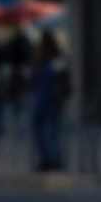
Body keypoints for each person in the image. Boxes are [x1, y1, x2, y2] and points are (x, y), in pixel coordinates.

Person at [30, 29, 69, 173]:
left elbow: (33, 80)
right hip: (52, 99)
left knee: (44, 130)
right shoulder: (55, 58)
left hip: (44, 99)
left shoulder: (41, 59)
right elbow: (63, 78)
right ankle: (53, 159)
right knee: (52, 130)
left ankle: (48, 159)